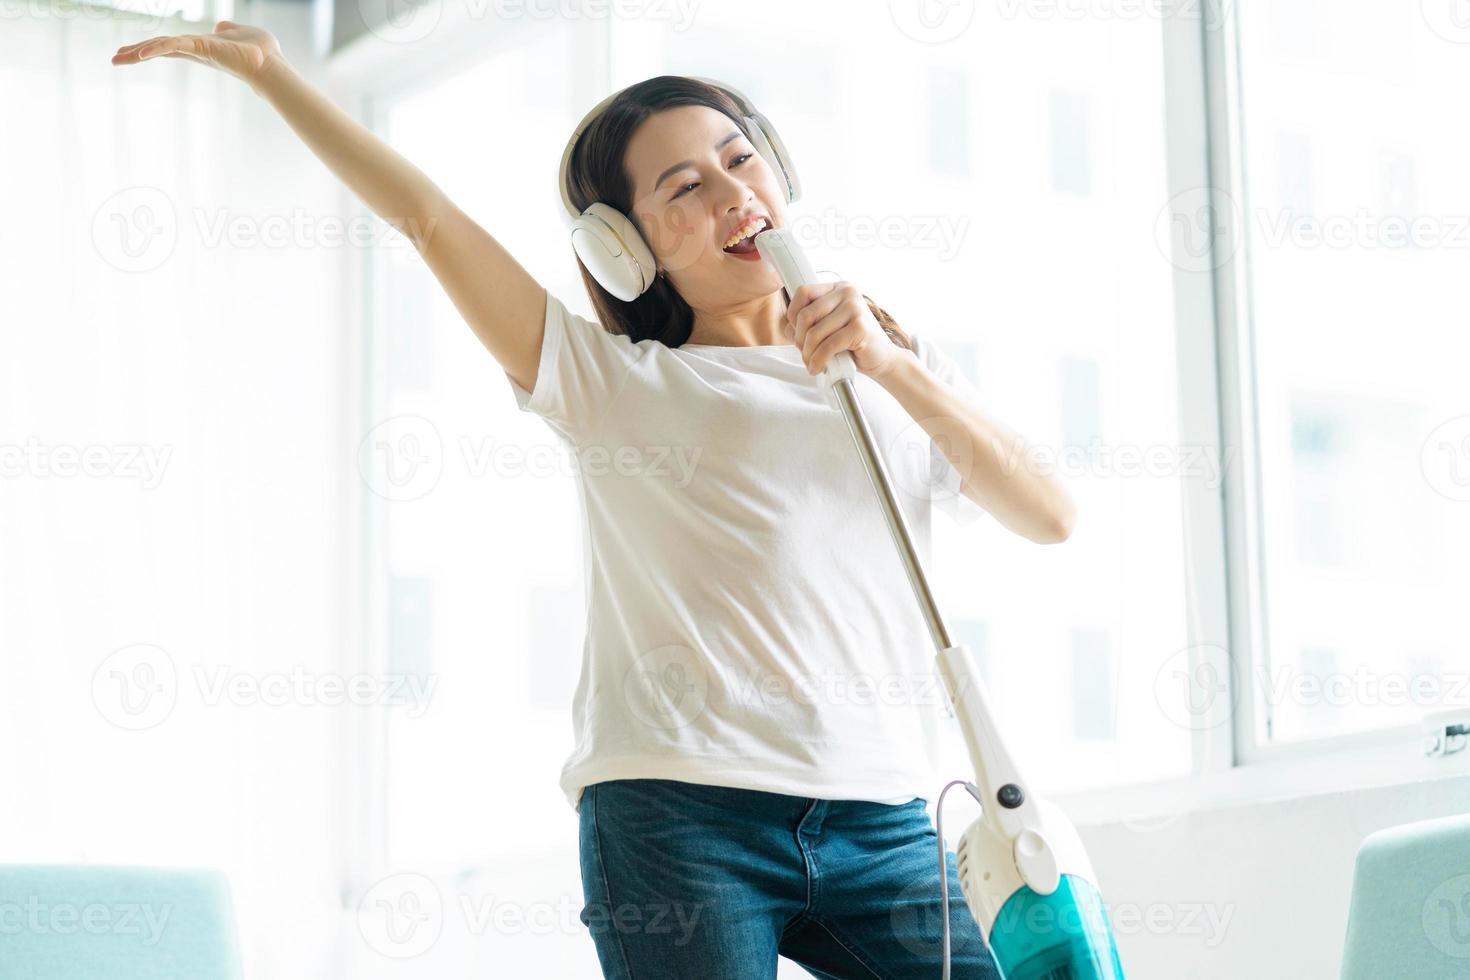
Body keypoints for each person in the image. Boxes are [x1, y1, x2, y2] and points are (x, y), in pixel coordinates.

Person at [113, 25, 1075, 979]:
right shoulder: (611, 381)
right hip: (681, 813)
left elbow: (1048, 514)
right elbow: (429, 220)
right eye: (684, 189)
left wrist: (894, 368)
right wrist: (272, 75)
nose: (736, 195)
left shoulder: (893, 369)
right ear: (624, 248)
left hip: (883, 815)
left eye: (741, 160)